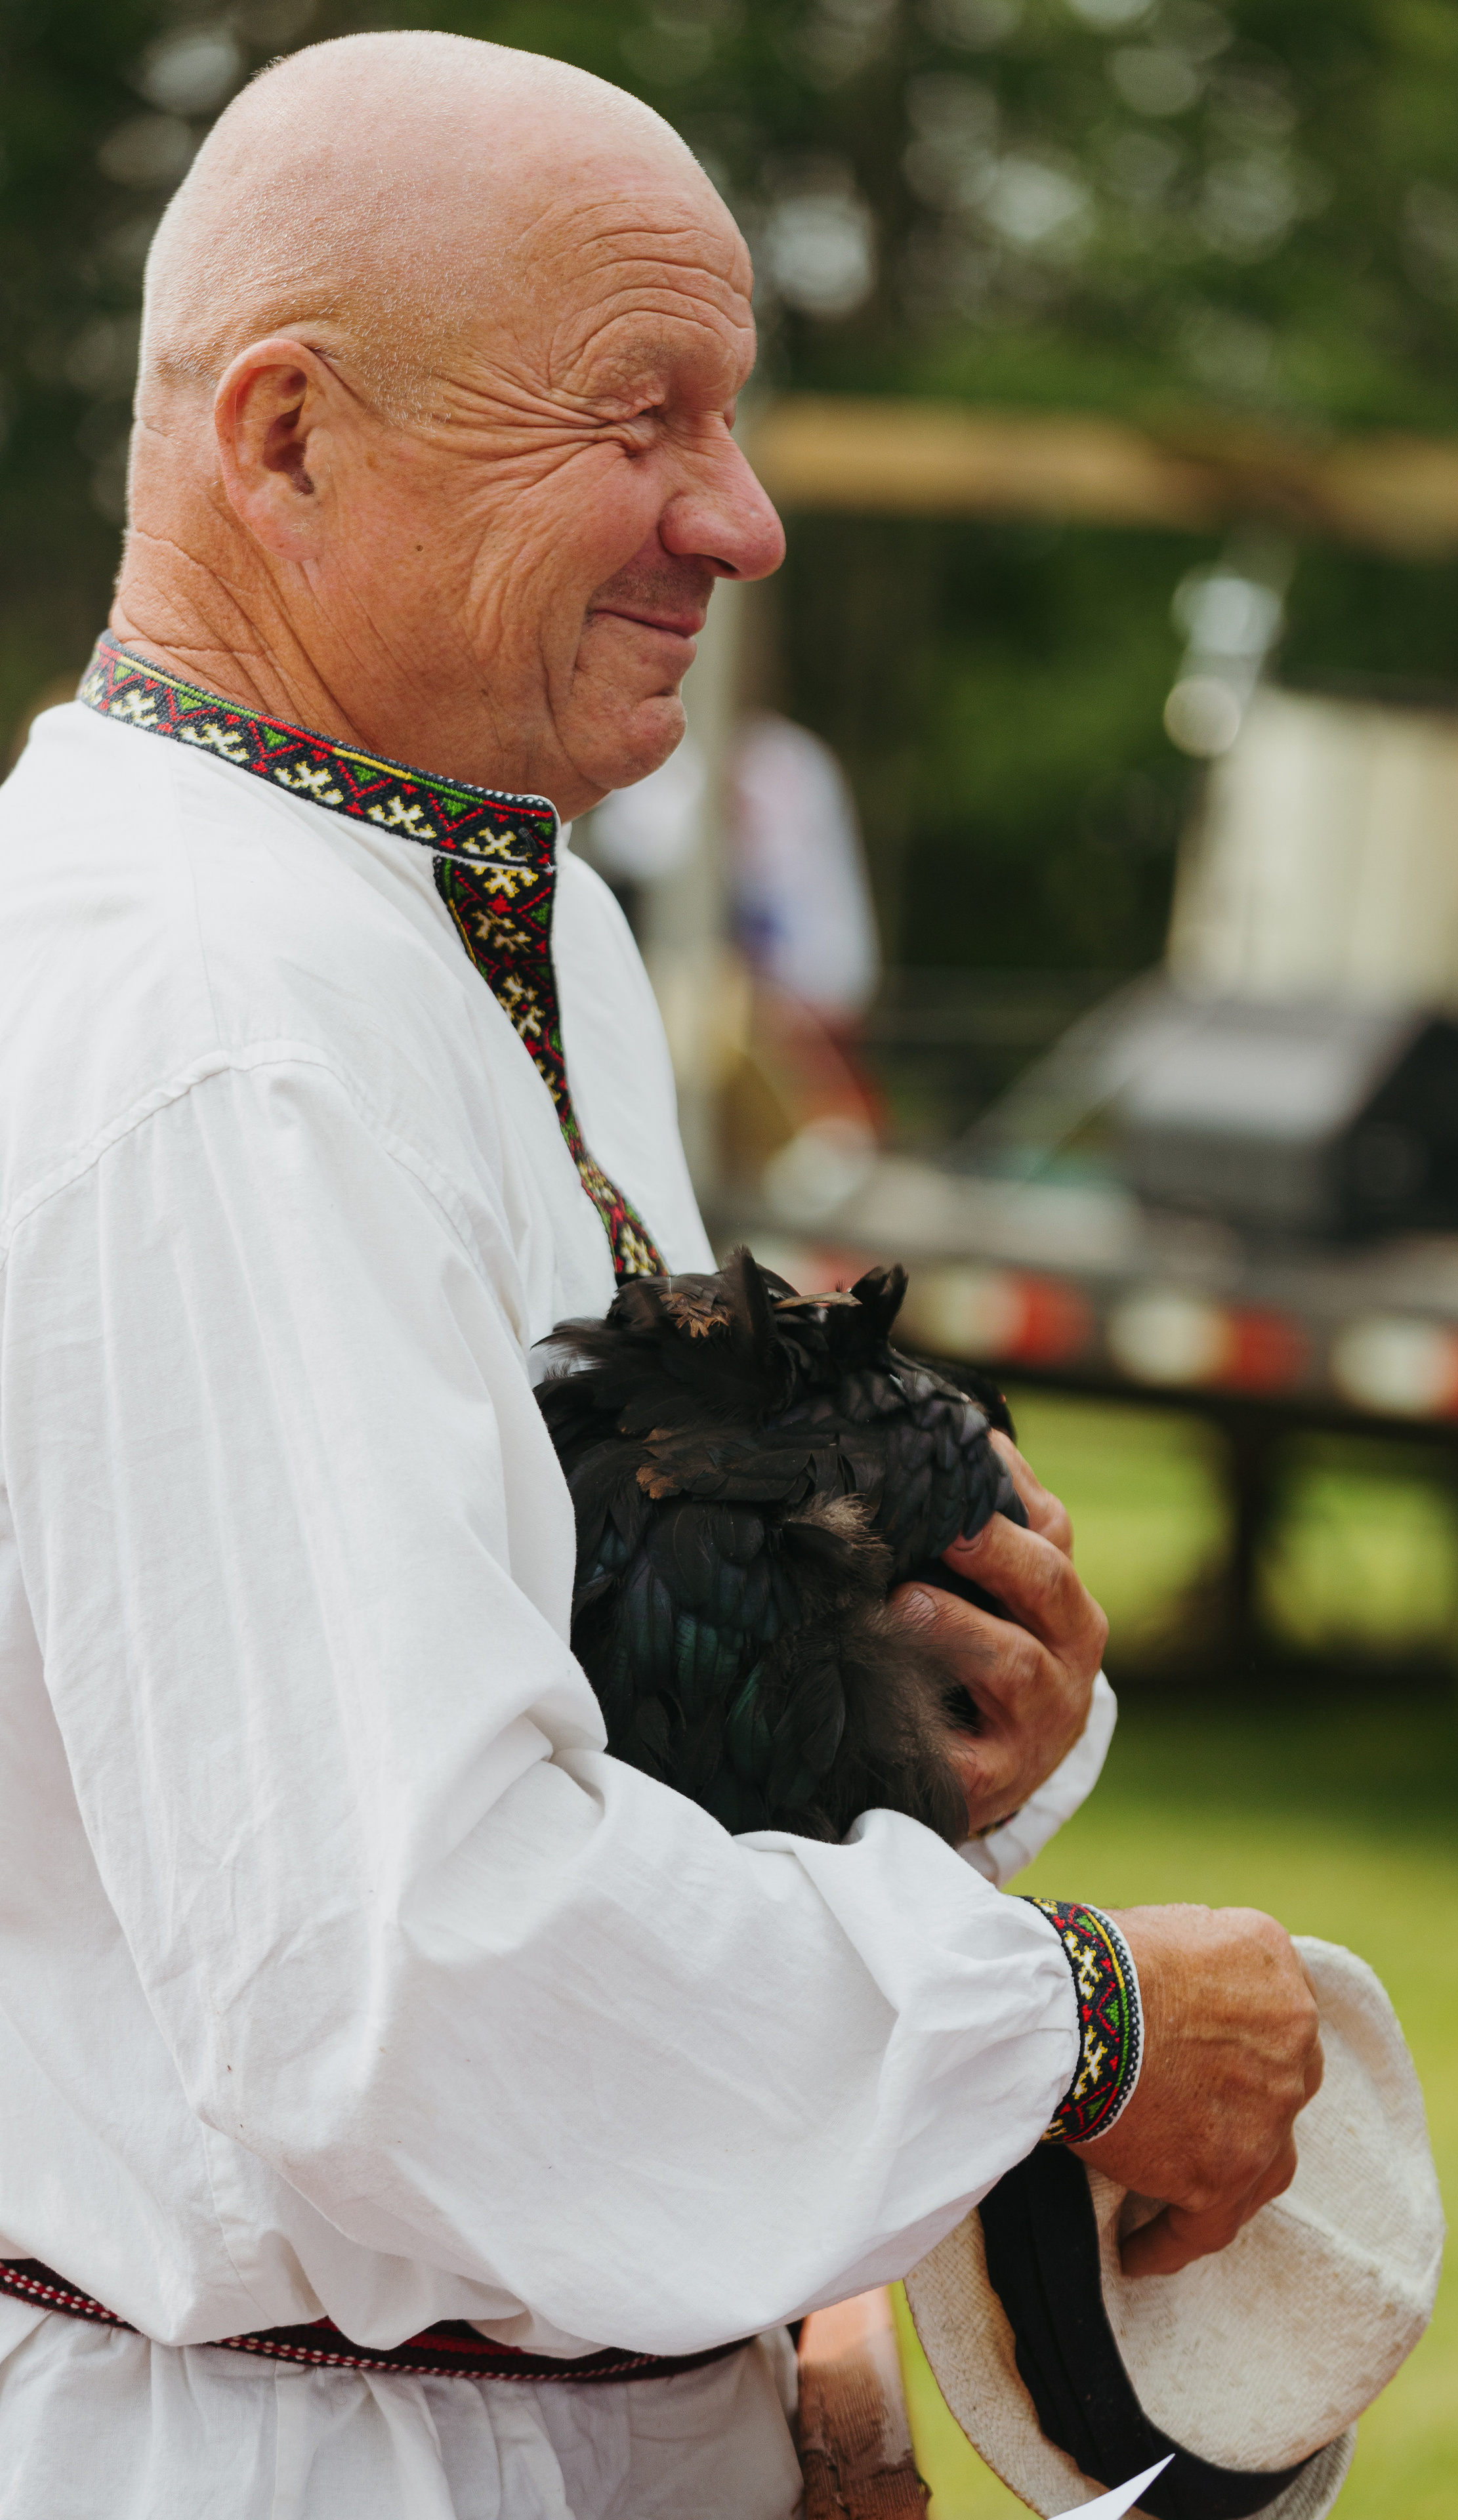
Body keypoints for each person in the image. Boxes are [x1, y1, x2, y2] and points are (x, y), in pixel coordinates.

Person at [0, 33, 1321, 2520]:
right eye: (641, 417)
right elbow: (399, 1974)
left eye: (736, 416)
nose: (744, 519)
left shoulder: (513, 918)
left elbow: (565, 1709)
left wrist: (915, 1729)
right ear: (285, 438)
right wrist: (1074, 2026)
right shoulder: (204, 1019)